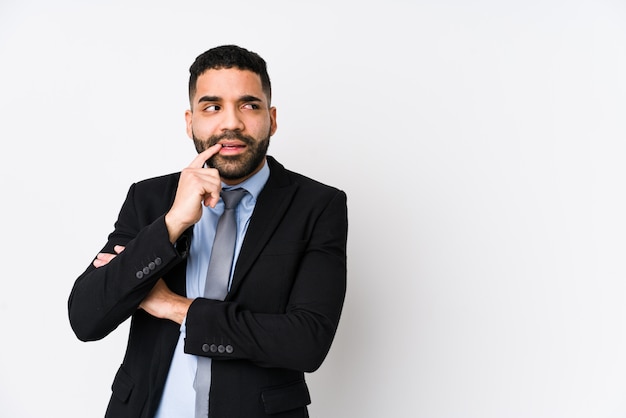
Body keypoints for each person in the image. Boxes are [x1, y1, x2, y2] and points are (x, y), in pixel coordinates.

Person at [68, 44, 348, 418]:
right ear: (190, 121)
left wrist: (174, 307)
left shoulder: (317, 205)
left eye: (249, 105)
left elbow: (306, 342)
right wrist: (173, 224)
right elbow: (86, 318)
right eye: (212, 107)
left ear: (273, 119)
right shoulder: (150, 199)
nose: (230, 123)